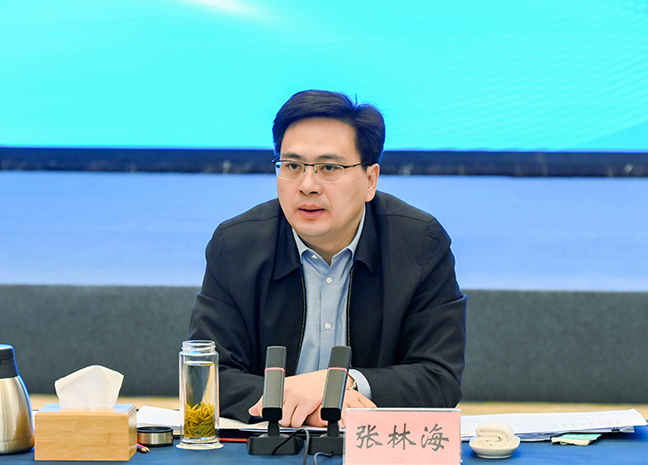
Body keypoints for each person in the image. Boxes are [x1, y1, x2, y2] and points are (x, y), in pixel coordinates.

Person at [188, 90, 467, 427]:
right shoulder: (236, 245)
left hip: (370, 446)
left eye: (329, 167)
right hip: (268, 443)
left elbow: (439, 377)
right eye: (292, 166)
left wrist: (342, 384)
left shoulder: (419, 244)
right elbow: (207, 374)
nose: (307, 185)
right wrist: (301, 400)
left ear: (370, 180)